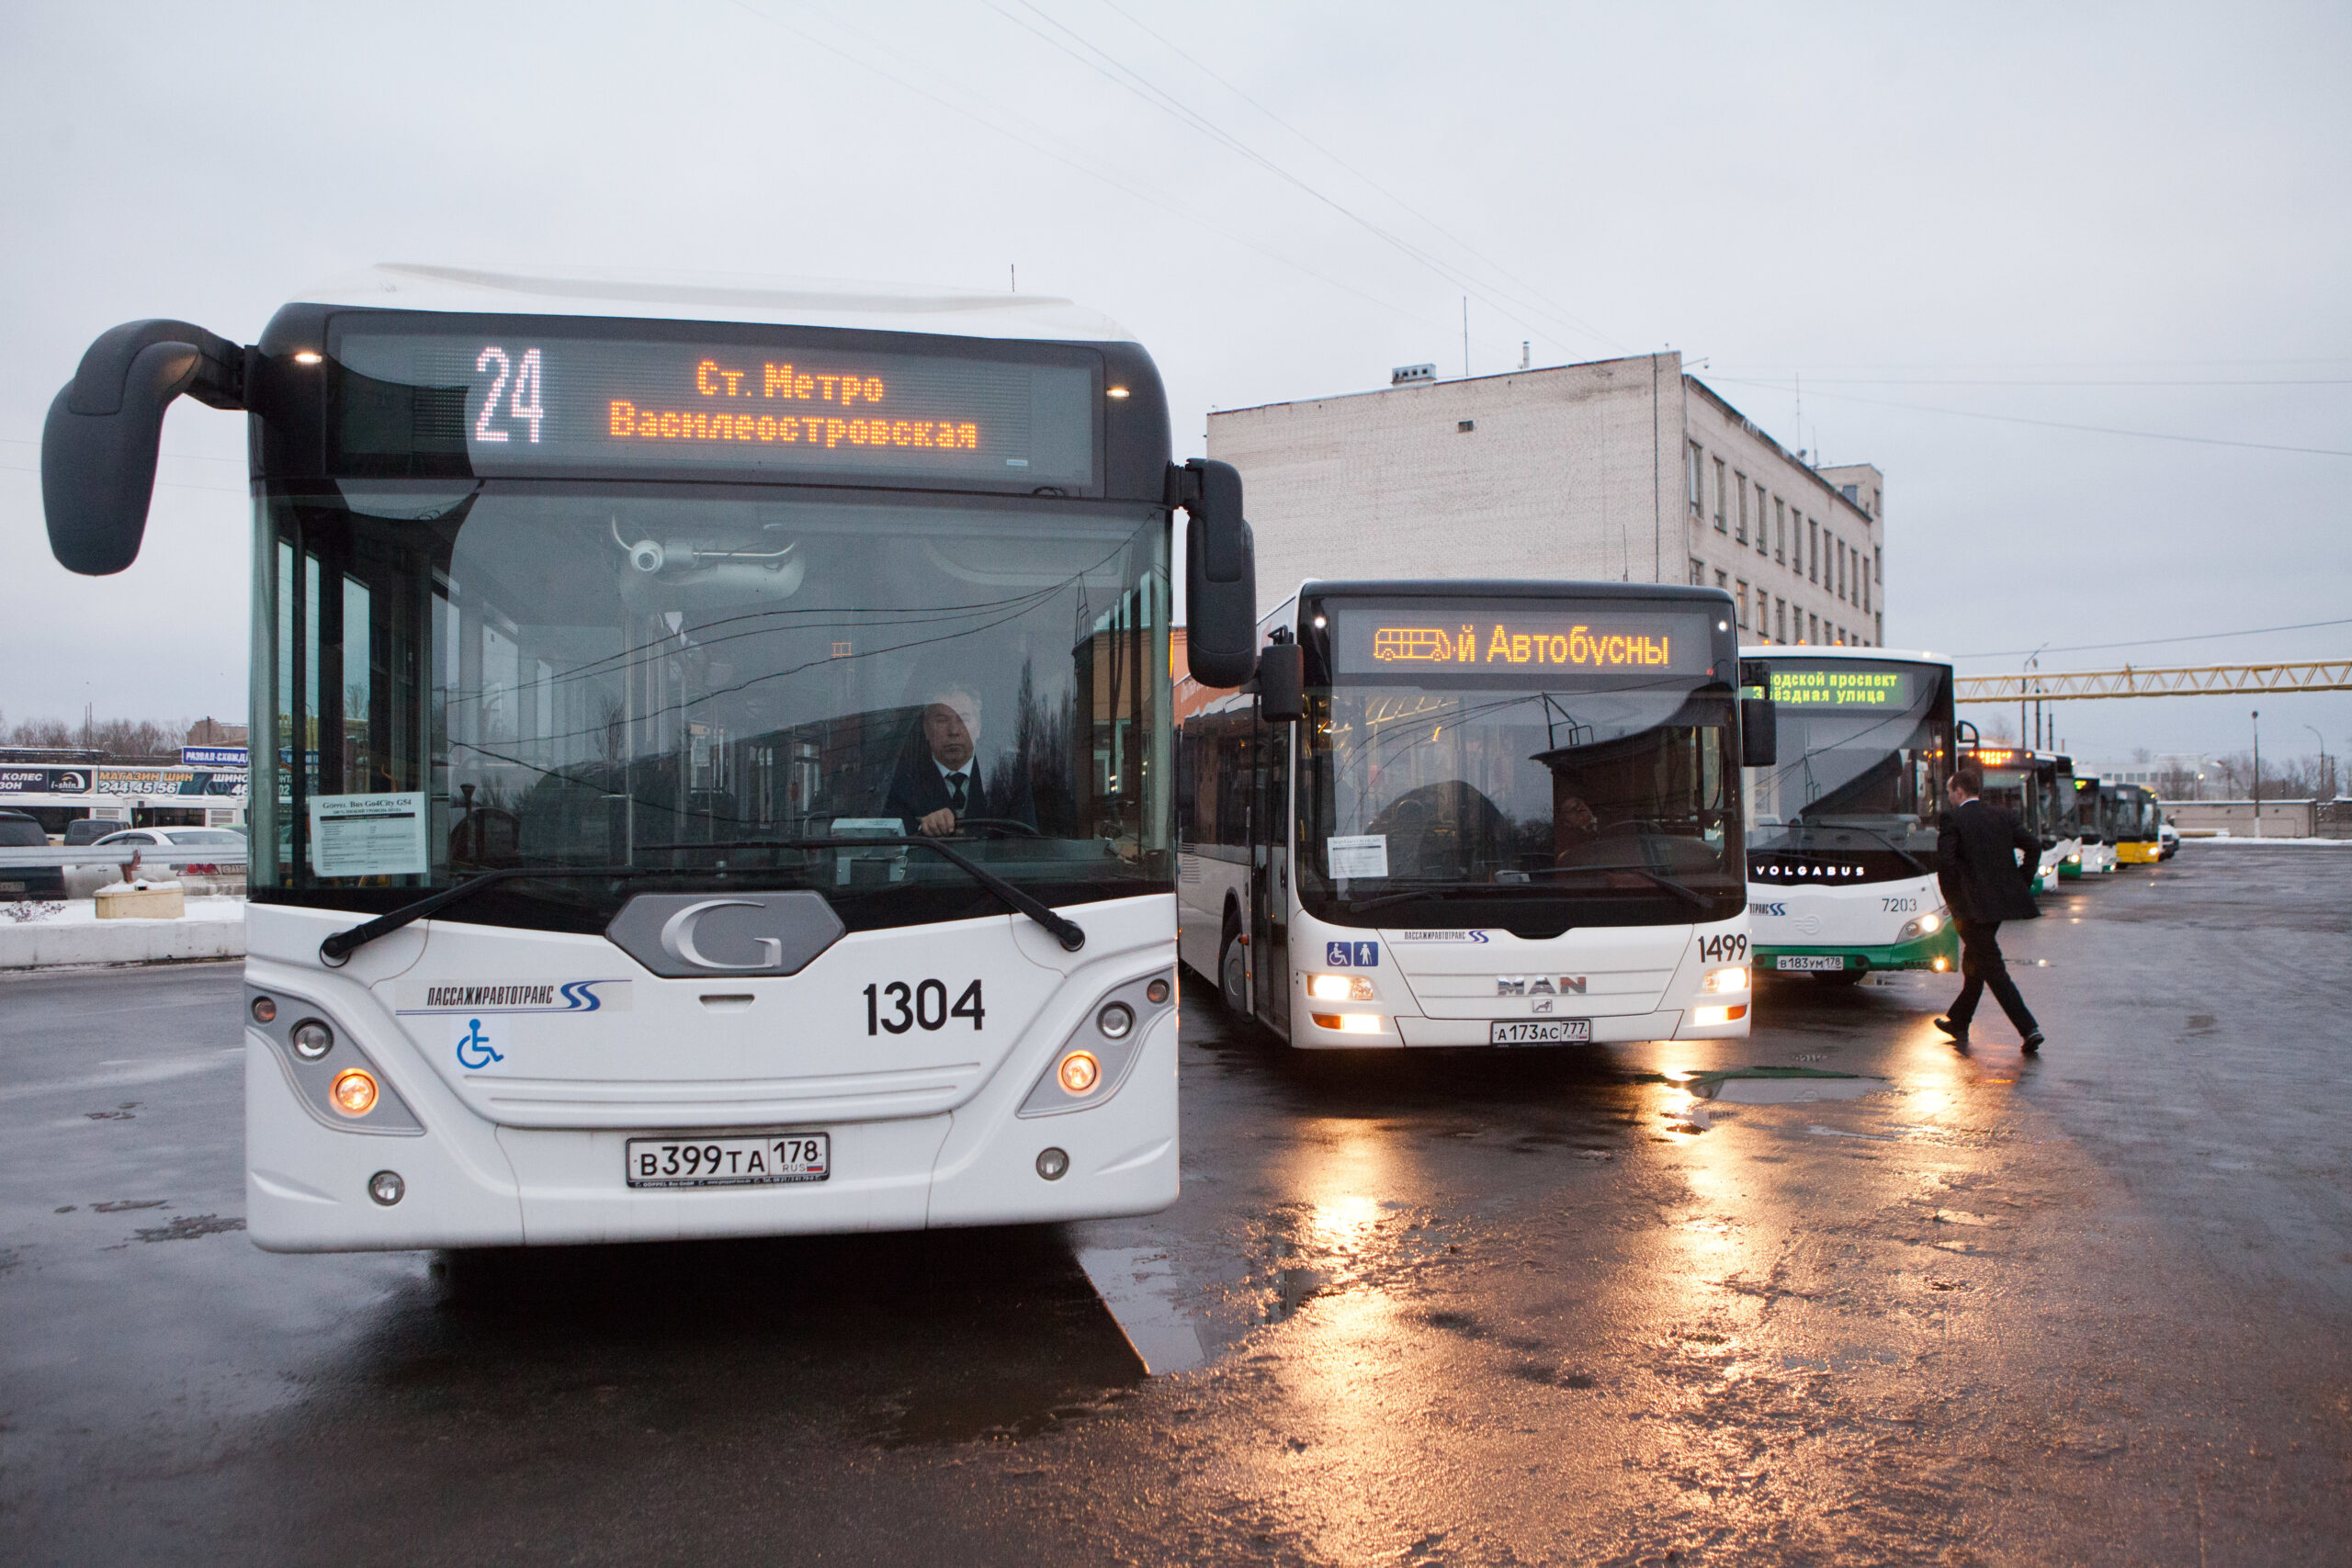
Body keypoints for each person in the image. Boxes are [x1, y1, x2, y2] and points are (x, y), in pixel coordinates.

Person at [1934, 762, 2045, 1052]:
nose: (1949, 798)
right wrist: (2021, 881)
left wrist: (1953, 902)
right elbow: (2034, 847)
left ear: (1958, 791)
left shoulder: (1952, 820)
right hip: (1999, 906)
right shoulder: (2003, 816)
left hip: (1969, 909)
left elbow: (1945, 864)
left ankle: (2028, 1028)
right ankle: (1958, 1020)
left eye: (1950, 792)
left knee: (1992, 967)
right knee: (1976, 962)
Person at [884, 682, 1033, 837]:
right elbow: (892, 843)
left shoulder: (1008, 777)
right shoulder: (903, 782)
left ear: (979, 728)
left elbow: (1026, 845)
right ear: (926, 729)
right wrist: (924, 829)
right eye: (942, 721)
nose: (954, 731)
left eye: (964, 719)